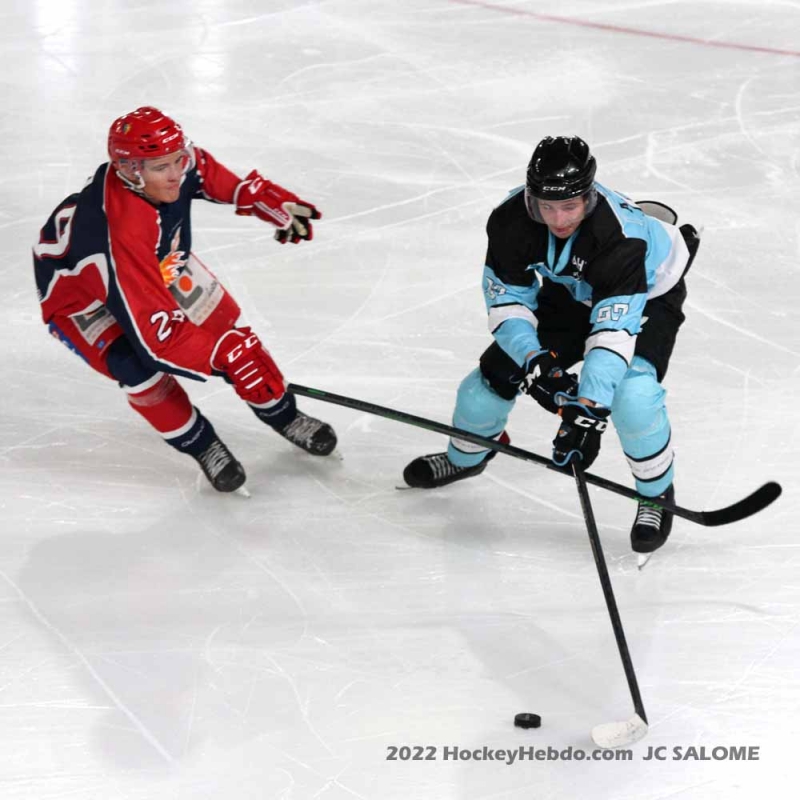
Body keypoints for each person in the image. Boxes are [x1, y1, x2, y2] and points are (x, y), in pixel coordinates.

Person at [403, 136, 700, 555]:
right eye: (546, 206)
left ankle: (655, 493)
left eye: (569, 207)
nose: (558, 219)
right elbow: (507, 300)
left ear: (589, 197)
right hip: (572, 290)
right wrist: (536, 362)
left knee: (633, 394)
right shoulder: (510, 221)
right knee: (487, 383)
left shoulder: (622, 240)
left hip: (648, 292)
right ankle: (466, 456)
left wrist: (588, 413)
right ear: (531, 196)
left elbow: (611, 334)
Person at [33, 106, 337, 494]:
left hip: (156, 262)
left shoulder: (160, 166)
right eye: (163, 167)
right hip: (80, 299)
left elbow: (202, 169)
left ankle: (284, 417)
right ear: (129, 170)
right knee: (136, 369)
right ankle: (203, 445)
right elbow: (156, 338)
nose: (177, 172)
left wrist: (251, 194)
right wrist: (220, 357)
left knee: (229, 334)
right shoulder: (121, 232)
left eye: (178, 158)